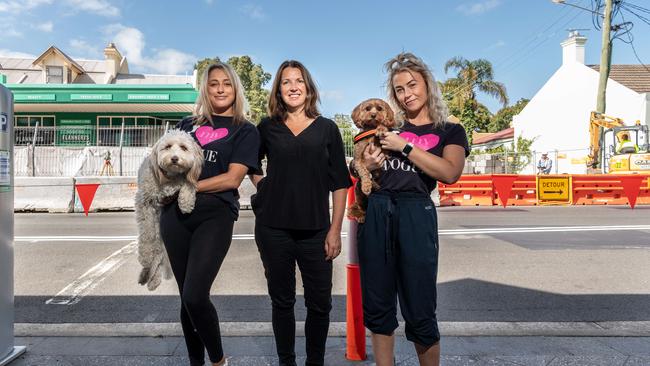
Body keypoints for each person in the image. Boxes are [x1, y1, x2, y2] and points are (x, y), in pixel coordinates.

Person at [356, 52, 469, 366]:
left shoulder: (450, 130)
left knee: (419, 307)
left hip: (415, 213)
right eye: (400, 90)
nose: (407, 94)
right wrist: (367, 166)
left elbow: (449, 172)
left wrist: (404, 146)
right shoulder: (382, 130)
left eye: (412, 85)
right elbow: (361, 178)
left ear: (428, 85)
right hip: (377, 212)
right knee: (378, 305)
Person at [251, 60, 352, 366]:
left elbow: (340, 184)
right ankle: (286, 361)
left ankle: (314, 362)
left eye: (298, 81)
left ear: (308, 87)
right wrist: (264, 186)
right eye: (286, 82)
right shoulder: (266, 126)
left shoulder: (328, 129)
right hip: (273, 229)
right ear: (278, 90)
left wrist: (335, 230)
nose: (293, 87)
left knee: (320, 304)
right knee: (281, 302)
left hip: (316, 230)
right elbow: (251, 165)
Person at [160, 62, 260, 366]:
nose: (220, 89)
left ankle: (218, 361)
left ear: (235, 89)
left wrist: (187, 185)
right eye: (214, 83)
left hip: (215, 215)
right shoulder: (185, 125)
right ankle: (196, 362)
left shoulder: (245, 130)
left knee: (194, 295)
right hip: (174, 215)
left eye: (226, 84)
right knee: (185, 299)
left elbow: (232, 179)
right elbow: (165, 164)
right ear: (205, 88)